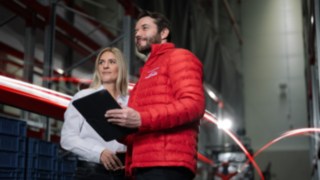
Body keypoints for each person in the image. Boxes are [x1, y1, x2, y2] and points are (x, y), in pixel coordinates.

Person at [105, 11, 205, 180]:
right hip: (142, 166)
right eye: (136, 31)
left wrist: (141, 119)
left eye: (144, 28)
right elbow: (141, 126)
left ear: (164, 33)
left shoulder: (179, 57)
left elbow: (194, 104)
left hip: (167, 164)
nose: (137, 34)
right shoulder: (144, 76)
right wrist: (120, 129)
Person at [60, 47, 129, 180]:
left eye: (112, 62)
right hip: (91, 172)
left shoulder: (130, 101)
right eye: (101, 62)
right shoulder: (83, 97)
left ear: (120, 67)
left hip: (124, 173)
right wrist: (99, 152)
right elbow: (67, 138)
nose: (105, 66)